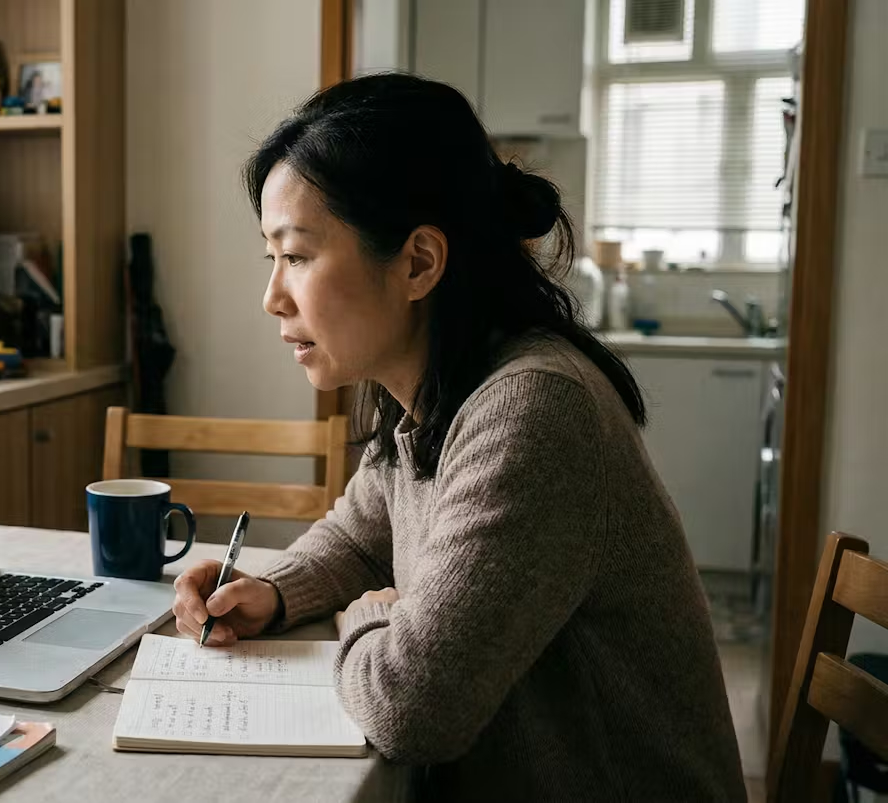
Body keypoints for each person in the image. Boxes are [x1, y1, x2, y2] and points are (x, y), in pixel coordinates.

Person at [169, 73, 745, 801]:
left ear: (418, 263)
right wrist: (271, 591)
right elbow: (358, 535)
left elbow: (413, 710)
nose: (272, 295)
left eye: (299, 256)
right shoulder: (439, 387)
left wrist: (372, 616)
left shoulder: (533, 411)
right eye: (271, 258)